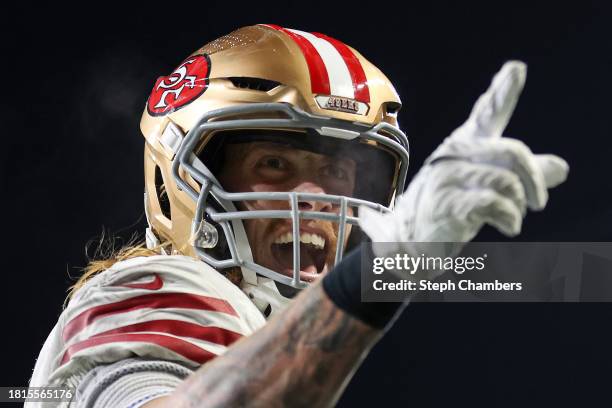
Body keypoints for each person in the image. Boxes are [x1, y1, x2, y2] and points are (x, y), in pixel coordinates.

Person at [26, 24, 568, 407]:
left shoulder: (261, 332)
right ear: (183, 181)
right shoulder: (159, 288)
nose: (315, 198)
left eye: (338, 173)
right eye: (275, 163)